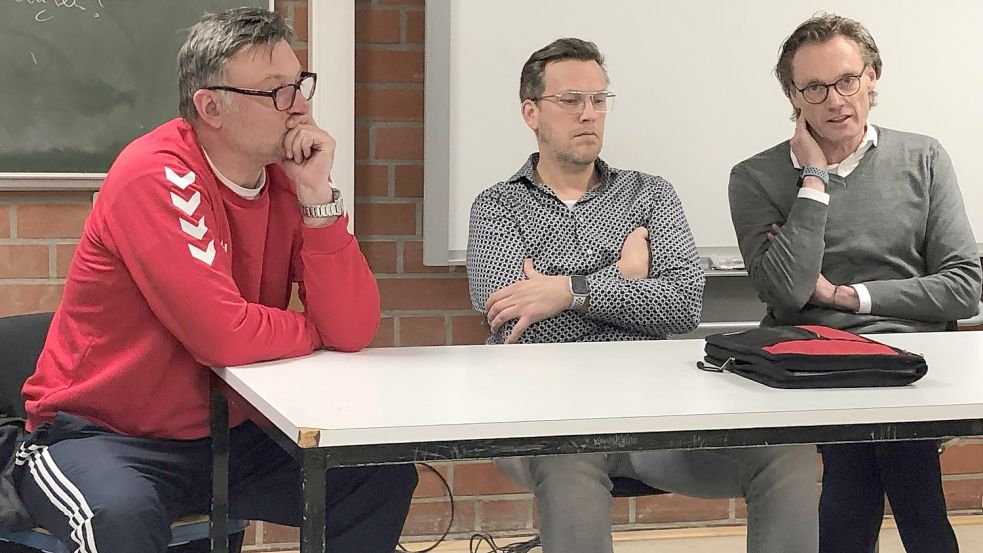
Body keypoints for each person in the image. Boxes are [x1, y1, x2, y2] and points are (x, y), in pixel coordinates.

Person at [14, 8, 416, 553]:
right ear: (211, 107)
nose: (299, 106)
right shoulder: (156, 175)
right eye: (276, 91)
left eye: (300, 84)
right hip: (101, 435)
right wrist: (310, 329)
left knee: (378, 474)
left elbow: (352, 327)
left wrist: (319, 200)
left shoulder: (285, 180)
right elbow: (221, 335)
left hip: (228, 437)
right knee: (119, 518)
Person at [466, 37, 819, 553]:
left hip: (658, 417)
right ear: (530, 112)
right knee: (568, 458)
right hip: (548, 417)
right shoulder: (497, 206)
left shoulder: (650, 193)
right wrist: (626, 275)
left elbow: (682, 304)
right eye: (570, 100)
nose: (588, 113)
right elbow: (511, 316)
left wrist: (568, 290)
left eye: (599, 99)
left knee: (789, 453)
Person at [729, 13, 982, 553]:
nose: (835, 101)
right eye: (814, 88)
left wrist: (845, 296)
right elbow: (787, 293)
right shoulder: (755, 177)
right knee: (895, 459)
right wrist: (814, 180)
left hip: (915, 360)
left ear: (872, 76)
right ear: (792, 95)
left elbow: (963, 286)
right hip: (818, 361)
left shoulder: (924, 157)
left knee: (862, 461)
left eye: (846, 80)